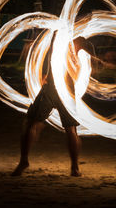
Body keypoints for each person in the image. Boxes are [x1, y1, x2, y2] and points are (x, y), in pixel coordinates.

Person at [11, 31, 94, 177]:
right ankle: (75, 168)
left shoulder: (62, 38)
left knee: (32, 124)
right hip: (67, 91)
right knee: (70, 129)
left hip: (53, 89)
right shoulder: (76, 42)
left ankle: (24, 161)